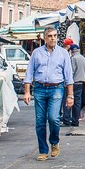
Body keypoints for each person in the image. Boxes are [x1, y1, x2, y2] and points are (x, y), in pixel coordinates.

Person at [24, 26, 73, 161]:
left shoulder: (63, 53)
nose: (53, 38)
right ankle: (43, 150)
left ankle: (54, 141)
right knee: (40, 121)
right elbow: (29, 73)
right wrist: (27, 92)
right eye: (50, 36)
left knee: (53, 118)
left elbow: (69, 76)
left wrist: (70, 96)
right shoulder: (37, 53)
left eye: (55, 36)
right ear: (45, 38)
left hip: (56, 88)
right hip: (39, 88)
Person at [61, 43, 85, 127]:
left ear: (71, 51)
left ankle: (66, 120)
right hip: (80, 82)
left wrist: (66, 82)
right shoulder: (83, 58)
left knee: (68, 100)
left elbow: (71, 72)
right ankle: (75, 120)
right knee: (77, 103)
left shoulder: (73, 59)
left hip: (73, 83)